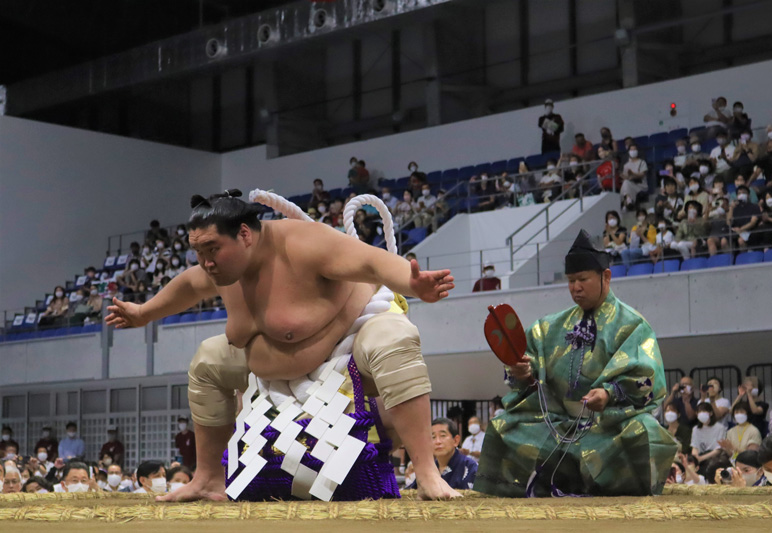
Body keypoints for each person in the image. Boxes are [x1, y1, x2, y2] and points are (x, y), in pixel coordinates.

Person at [106, 189, 459, 501]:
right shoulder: (220, 269)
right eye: (198, 251)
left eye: (212, 249)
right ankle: (208, 477)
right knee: (208, 360)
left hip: (348, 346)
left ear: (244, 234)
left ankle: (427, 473)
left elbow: (371, 261)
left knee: (393, 338)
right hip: (268, 375)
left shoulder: (303, 243)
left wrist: (413, 285)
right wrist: (143, 313)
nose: (205, 262)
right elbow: (190, 284)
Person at [475, 230, 677, 497]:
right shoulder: (548, 327)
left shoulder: (632, 325)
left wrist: (608, 394)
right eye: (571, 280)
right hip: (555, 424)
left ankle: (612, 496)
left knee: (646, 432)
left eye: (582, 279)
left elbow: (647, 379)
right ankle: (538, 490)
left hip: (606, 428)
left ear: (606, 277)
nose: (575, 287)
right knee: (504, 427)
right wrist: (523, 373)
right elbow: (527, 365)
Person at [409, 418, 477, 490]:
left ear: (456, 440)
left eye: (443, 435)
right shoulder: (428, 469)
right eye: (433, 437)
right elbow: (411, 491)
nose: (438, 441)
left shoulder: (470, 467)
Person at [690, 402, 726, 469]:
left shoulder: (720, 428)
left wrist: (702, 458)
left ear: (711, 413)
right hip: (700, 457)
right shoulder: (695, 429)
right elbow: (695, 447)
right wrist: (695, 458)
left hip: (714, 458)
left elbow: (718, 450)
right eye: (699, 412)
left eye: (704, 411)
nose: (701, 414)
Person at [620, 144, 649, 211]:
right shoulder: (626, 165)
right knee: (626, 182)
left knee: (626, 184)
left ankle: (625, 202)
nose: (633, 151)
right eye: (631, 150)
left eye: (634, 149)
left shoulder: (642, 162)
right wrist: (624, 176)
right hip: (630, 183)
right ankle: (628, 200)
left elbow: (642, 174)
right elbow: (626, 177)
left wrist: (633, 174)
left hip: (640, 184)